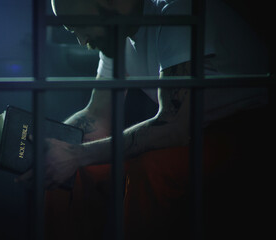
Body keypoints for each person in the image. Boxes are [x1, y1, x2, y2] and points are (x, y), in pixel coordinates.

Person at [16, 0, 274, 239]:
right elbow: (97, 114)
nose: (82, 40)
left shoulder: (176, 11)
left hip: (249, 130)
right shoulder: (117, 35)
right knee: (60, 167)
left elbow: (173, 127)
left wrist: (76, 153)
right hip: (191, 132)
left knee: (151, 168)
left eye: (81, 27)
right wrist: (53, 145)